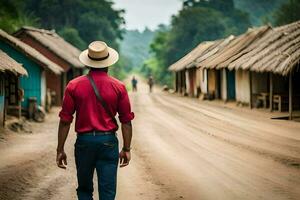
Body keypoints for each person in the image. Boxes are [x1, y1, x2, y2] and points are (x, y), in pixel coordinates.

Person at [56, 41, 134, 200]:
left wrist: (60, 149)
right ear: (108, 63)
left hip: (84, 142)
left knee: (84, 189)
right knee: (108, 191)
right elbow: (126, 121)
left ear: (88, 63)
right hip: (108, 142)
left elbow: (65, 120)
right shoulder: (118, 86)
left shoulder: (73, 86)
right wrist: (126, 148)